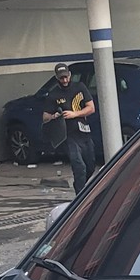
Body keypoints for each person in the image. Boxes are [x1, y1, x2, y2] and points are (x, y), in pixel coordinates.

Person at [42, 63, 97, 192]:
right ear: (57, 78)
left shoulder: (80, 87)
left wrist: (75, 114)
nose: (65, 80)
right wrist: (55, 116)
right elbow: (45, 117)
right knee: (79, 166)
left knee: (90, 166)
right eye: (61, 78)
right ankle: (79, 195)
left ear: (70, 75)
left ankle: (82, 188)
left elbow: (91, 108)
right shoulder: (53, 95)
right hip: (68, 135)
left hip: (84, 132)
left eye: (66, 77)